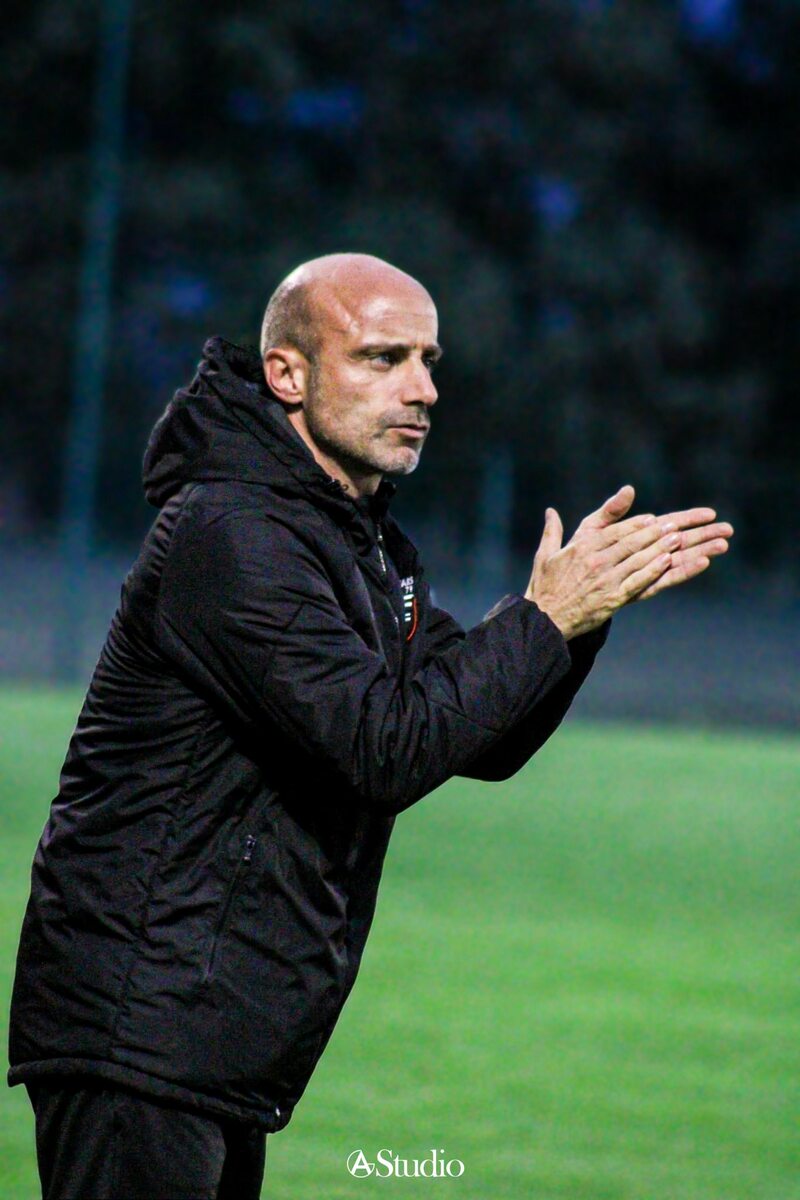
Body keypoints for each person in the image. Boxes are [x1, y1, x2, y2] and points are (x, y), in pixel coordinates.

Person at [8, 253, 732, 1199]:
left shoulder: (364, 543)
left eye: (429, 361)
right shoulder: (233, 534)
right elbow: (381, 749)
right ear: (288, 374)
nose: (422, 389)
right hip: (139, 1025)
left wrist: (573, 621)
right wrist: (543, 619)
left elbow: (481, 739)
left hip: (203, 1033)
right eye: (384, 358)